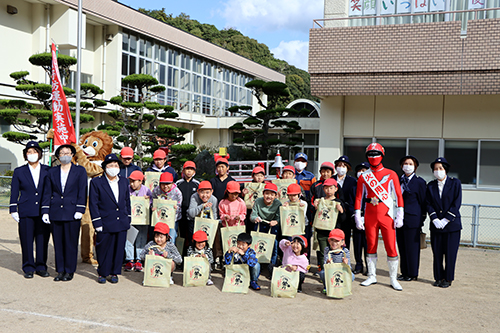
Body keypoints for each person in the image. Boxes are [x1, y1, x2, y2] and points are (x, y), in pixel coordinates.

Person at [354, 143, 404, 291]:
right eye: (370, 155)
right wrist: (358, 215)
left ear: (382, 155)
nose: (373, 157)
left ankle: (393, 278)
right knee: (371, 245)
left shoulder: (391, 174)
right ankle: (371, 275)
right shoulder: (364, 176)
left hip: (386, 214)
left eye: (376, 154)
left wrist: (400, 215)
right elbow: (358, 198)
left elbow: (398, 195)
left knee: (390, 245)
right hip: (370, 213)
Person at [42, 144, 88, 282]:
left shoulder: (79, 171)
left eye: (68, 152)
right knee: (58, 242)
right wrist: (45, 210)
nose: (65, 155)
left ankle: (69, 270)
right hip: (56, 211)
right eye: (62, 153)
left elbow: (82, 191)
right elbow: (47, 192)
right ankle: (60, 270)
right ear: (58, 156)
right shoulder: (52, 172)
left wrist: (80, 209)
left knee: (71, 242)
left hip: (72, 211)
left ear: (72, 154)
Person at [10, 141, 51, 279]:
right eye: (29, 152)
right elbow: (14, 191)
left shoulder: (48, 170)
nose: (32, 154)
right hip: (25, 210)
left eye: (34, 152)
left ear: (39, 154)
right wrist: (13, 208)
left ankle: (41, 266)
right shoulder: (19, 171)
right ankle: (28, 267)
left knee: (42, 240)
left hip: (43, 211)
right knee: (26, 240)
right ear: (25, 155)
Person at [89, 154, 131, 284]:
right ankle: (103, 272)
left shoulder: (124, 181)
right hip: (105, 221)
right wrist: (97, 222)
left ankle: (114, 272)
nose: (114, 168)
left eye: (116, 165)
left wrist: (128, 217)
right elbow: (93, 203)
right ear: (105, 167)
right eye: (111, 165)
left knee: (118, 248)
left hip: (121, 220)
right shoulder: (96, 182)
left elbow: (126, 201)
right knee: (103, 248)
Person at [426, 157, 462, 288]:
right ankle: (438, 277)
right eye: (435, 169)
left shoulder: (455, 183)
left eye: (440, 168)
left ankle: (448, 278)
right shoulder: (430, 185)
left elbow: (456, 202)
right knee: (437, 253)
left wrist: (446, 219)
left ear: (445, 170)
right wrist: (435, 218)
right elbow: (428, 203)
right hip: (436, 226)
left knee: (450, 253)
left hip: (452, 225)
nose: (438, 171)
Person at [397, 156, 427, 282]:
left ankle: (413, 273)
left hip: (413, 219)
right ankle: (404, 272)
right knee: (402, 247)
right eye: (405, 163)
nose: (407, 166)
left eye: (410, 164)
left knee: (412, 248)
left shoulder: (420, 182)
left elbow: (423, 202)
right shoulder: (398, 180)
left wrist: (421, 220)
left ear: (415, 167)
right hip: (399, 219)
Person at [250, 182, 282, 277]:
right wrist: (255, 218)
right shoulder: (258, 201)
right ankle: (257, 267)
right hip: (260, 224)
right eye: (267, 193)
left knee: (274, 246)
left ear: (275, 196)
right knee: (257, 245)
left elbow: (280, 217)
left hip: (272, 226)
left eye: (272, 194)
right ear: (263, 194)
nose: (269, 196)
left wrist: (276, 221)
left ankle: (272, 267)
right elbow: (253, 214)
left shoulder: (278, 203)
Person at [313, 178, 344, 271]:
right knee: (323, 252)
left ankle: (335, 271)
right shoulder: (320, 201)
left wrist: (341, 210)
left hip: (334, 233)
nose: (328, 190)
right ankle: (324, 272)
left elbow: (343, 219)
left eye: (331, 188)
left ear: (336, 189)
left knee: (335, 252)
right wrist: (315, 206)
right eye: (326, 188)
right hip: (321, 231)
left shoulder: (338, 202)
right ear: (323, 189)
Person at [125, 170, 152, 273]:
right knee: (129, 239)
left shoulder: (146, 190)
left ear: (140, 181)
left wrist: (148, 199)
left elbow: (152, 202)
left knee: (141, 239)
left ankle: (139, 260)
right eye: (130, 181)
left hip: (143, 220)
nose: (132, 183)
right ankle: (129, 259)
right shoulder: (127, 190)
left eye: (134, 181)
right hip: (131, 219)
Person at [333, 155, 357, 250]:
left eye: (344, 166)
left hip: (346, 213)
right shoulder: (332, 179)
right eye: (339, 165)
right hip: (333, 212)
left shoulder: (352, 181)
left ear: (348, 168)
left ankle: (344, 256)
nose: (341, 168)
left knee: (345, 236)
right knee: (333, 236)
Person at [151, 172, 183, 244]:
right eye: (163, 184)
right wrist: (152, 207)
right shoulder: (156, 190)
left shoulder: (177, 192)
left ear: (172, 183)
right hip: (159, 219)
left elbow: (179, 205)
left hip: (172, 220)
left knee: (171, 238)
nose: (165, 186)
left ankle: (170, 254)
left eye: (168, 184)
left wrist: (176, 207)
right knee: (159, 238)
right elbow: (152, 202)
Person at [318, 229, 353, 293]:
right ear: (328, 240)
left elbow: (349, 268)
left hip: (341, 272)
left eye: (337, 241)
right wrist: (327, 262)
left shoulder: (345, 251)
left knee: (352, 276)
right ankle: (327, 286)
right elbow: (325, 265)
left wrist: (346, 263)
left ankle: (343, 286)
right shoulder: (327, 250)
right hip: (331, 271)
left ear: (342, 242)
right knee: (322, 273)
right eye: (332, 240)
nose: (334, 243)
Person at [176, 161, 200, 249]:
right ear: (183, 171)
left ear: (194, 171)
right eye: (187, 169)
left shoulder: (197, 184)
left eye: (191, 169)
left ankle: (191, 252)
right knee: (181, 235)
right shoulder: (178, 184)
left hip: (193, 214)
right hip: (181, 213)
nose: (189, 171)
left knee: (192, 234)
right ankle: (181, 254)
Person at [352, 162, 370, 275]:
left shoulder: (373, 187)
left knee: (369, 244)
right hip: (356, 218)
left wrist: (367, 214)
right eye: (360, 170)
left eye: (364, 170)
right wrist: (355, 215)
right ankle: (359, 265)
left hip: (369, 219)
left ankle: (369, 267)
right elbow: (350, 202)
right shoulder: (354, 186)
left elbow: (375, 201)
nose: (362, 173)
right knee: (357, 244)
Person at [241, 166, 266, 234]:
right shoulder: (246, 186)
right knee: (250, 229)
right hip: (249, 210)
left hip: (262, 211)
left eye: (261, 175)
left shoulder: (266, 186)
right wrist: (243, 194)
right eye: (257, 175)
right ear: (252, 176)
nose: (259, 177)